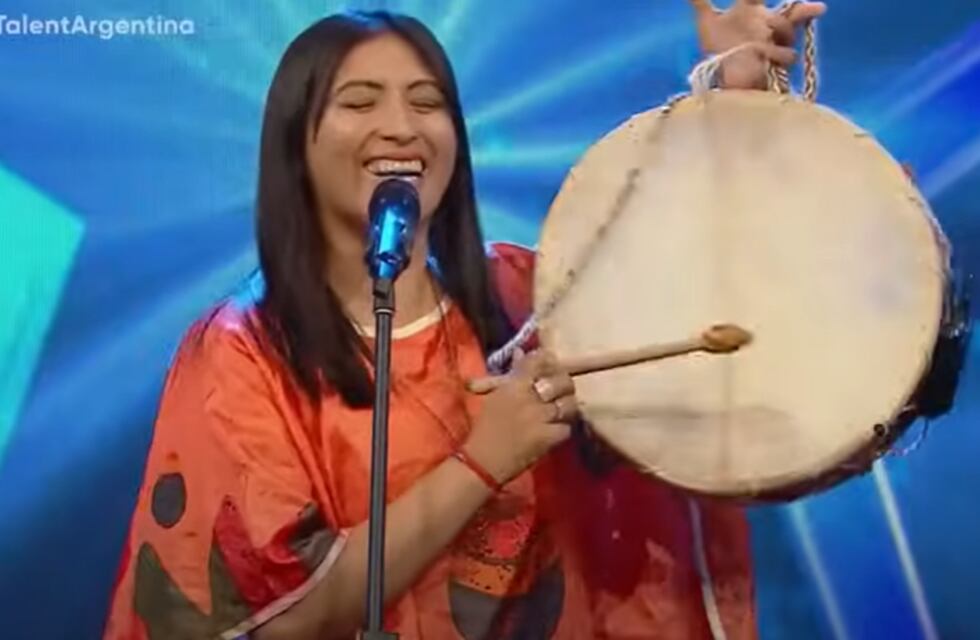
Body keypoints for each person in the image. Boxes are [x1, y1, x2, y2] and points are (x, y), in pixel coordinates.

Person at [102, 2, 826, 638]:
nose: (401, 128)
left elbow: (705, 303)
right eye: (359, 102)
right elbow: (279, 618)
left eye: (427, 103)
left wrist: (731, 111)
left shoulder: (533, 294)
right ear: (297, 140)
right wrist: (482, 460)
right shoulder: (243, 352)